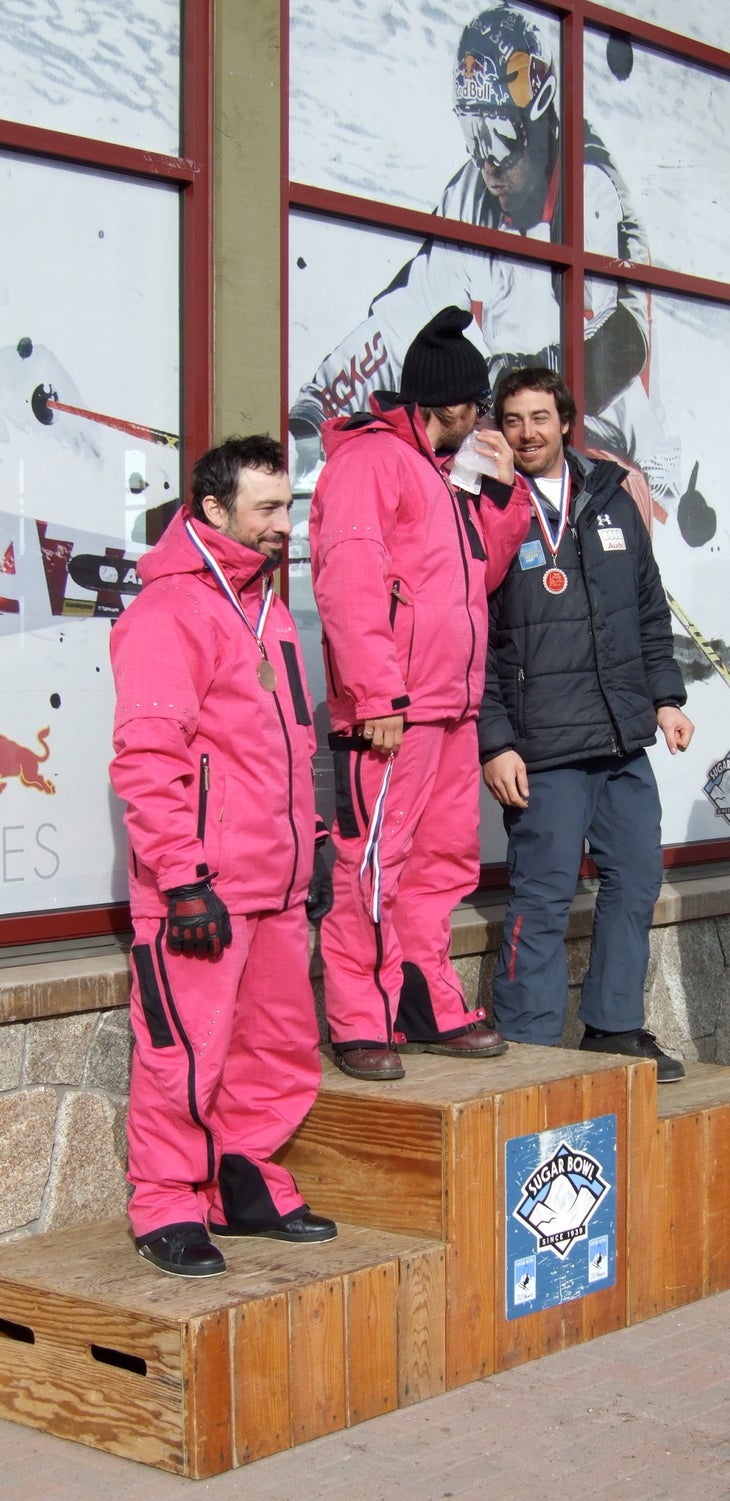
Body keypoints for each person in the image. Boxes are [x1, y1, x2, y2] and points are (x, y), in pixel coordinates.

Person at [290, 3, 694, 536]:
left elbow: (624, 346)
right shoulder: (471, 195)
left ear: (539, 113)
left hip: (616, 446)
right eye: (472, 135)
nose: (488, 162)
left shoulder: (593, 190)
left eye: (499, 135)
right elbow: (402, 318)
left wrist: (510, 385)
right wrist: (318, 404)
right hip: (519, 453)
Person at [109, 435, 337, 1277]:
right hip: (199, 889)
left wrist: (313, 843)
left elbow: (293, 740)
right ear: (213, 510)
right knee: (186, 1052)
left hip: (272, 885)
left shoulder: (269, 608)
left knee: (276, 1045)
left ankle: (245, 1179)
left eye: (290, 507)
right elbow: (147, 756)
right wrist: (179, 878)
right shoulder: (170, 612)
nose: (287, 525)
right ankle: (165, 1200)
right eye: (269, 509)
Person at [309, 305, 530, 1080]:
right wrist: (375, 697)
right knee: (372, 863)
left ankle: (423, 1001)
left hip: (448, 705)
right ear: (455, 403)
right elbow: (349, 580)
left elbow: (479, 578)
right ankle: (360, 1018)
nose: (483, 418)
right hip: (393, 711)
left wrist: (502, 499)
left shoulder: (446, 475)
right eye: (479, 405)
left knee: (439, 864)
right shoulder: (373, 462)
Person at [477, 367, 694, 1080]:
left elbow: (646, 609)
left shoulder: (607, 495)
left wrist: (665, 697)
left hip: (619, 738)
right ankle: (529, 1046)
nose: (528, 432)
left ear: (566, 421)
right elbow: (470, 636)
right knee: (542, 897)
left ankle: (613, 1026)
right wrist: (495, 739)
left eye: (541, 417)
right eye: (514, 419)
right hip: (542, 748)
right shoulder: (484, 504)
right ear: (497, 428)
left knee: (634, 879)